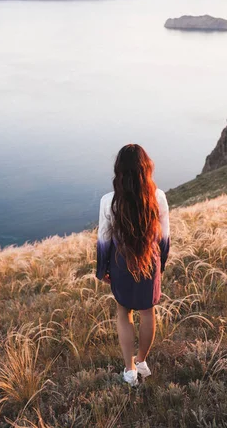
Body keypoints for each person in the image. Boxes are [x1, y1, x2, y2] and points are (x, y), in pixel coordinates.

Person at [96, 144, 170, 386]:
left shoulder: (109, 201)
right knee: (148, 312)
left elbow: (104, 239)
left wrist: (102, 270)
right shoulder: (157, 197)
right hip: (150, 262)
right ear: (145, 168)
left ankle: (129, 371)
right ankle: (142, 361)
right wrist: (161, 265)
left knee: (123, 312)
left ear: (119, 170)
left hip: (120, 264)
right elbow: (164, 238)